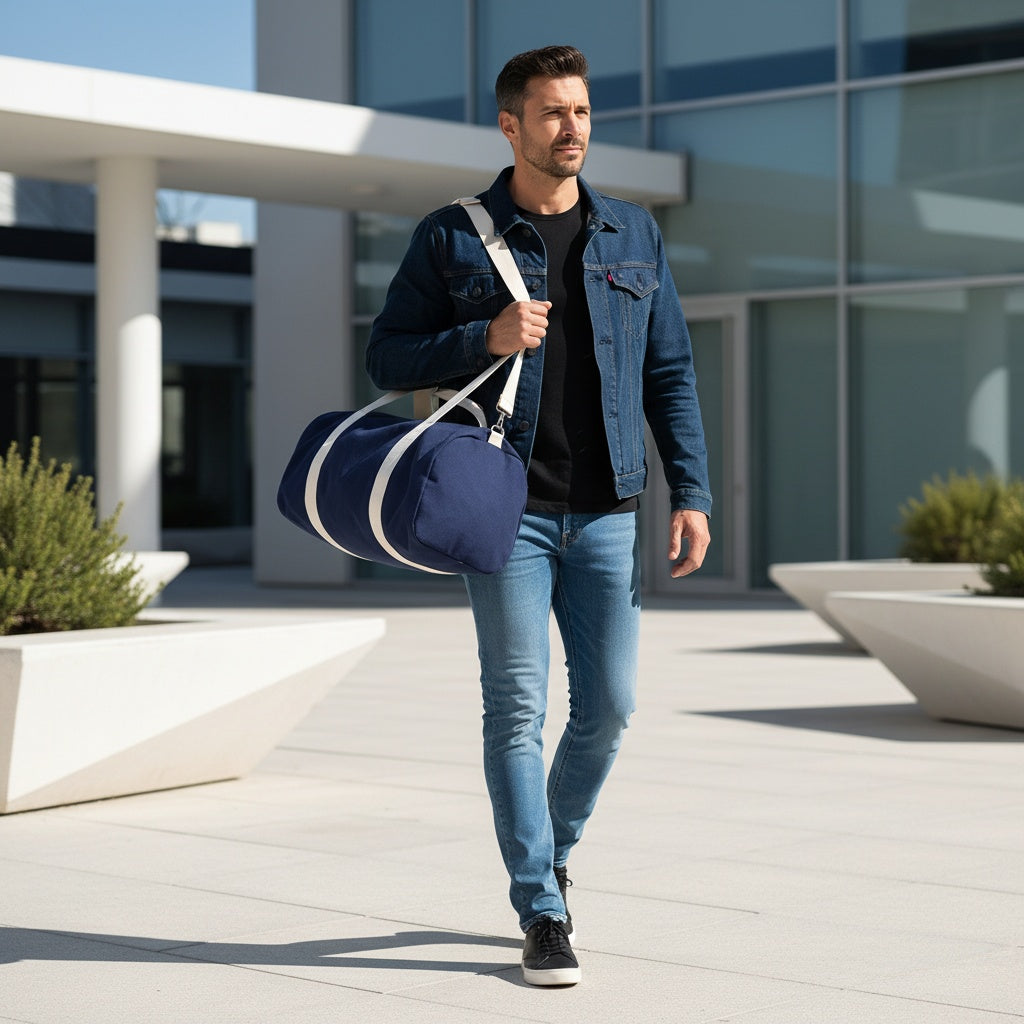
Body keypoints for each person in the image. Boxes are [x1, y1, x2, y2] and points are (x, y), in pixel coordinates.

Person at [366, 45, 711, 987]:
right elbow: (386, 357)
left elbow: (670, 373)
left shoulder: (631, 232)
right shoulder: (452, 236)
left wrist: (691, 492)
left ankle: (548, 857)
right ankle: (542, 910)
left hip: (607, 511)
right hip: (504, 509)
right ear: (510, 124)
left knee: (610, 708)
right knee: (516, 708)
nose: (573, 128)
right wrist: (482, 336)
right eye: (554, 112)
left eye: (583, 111)